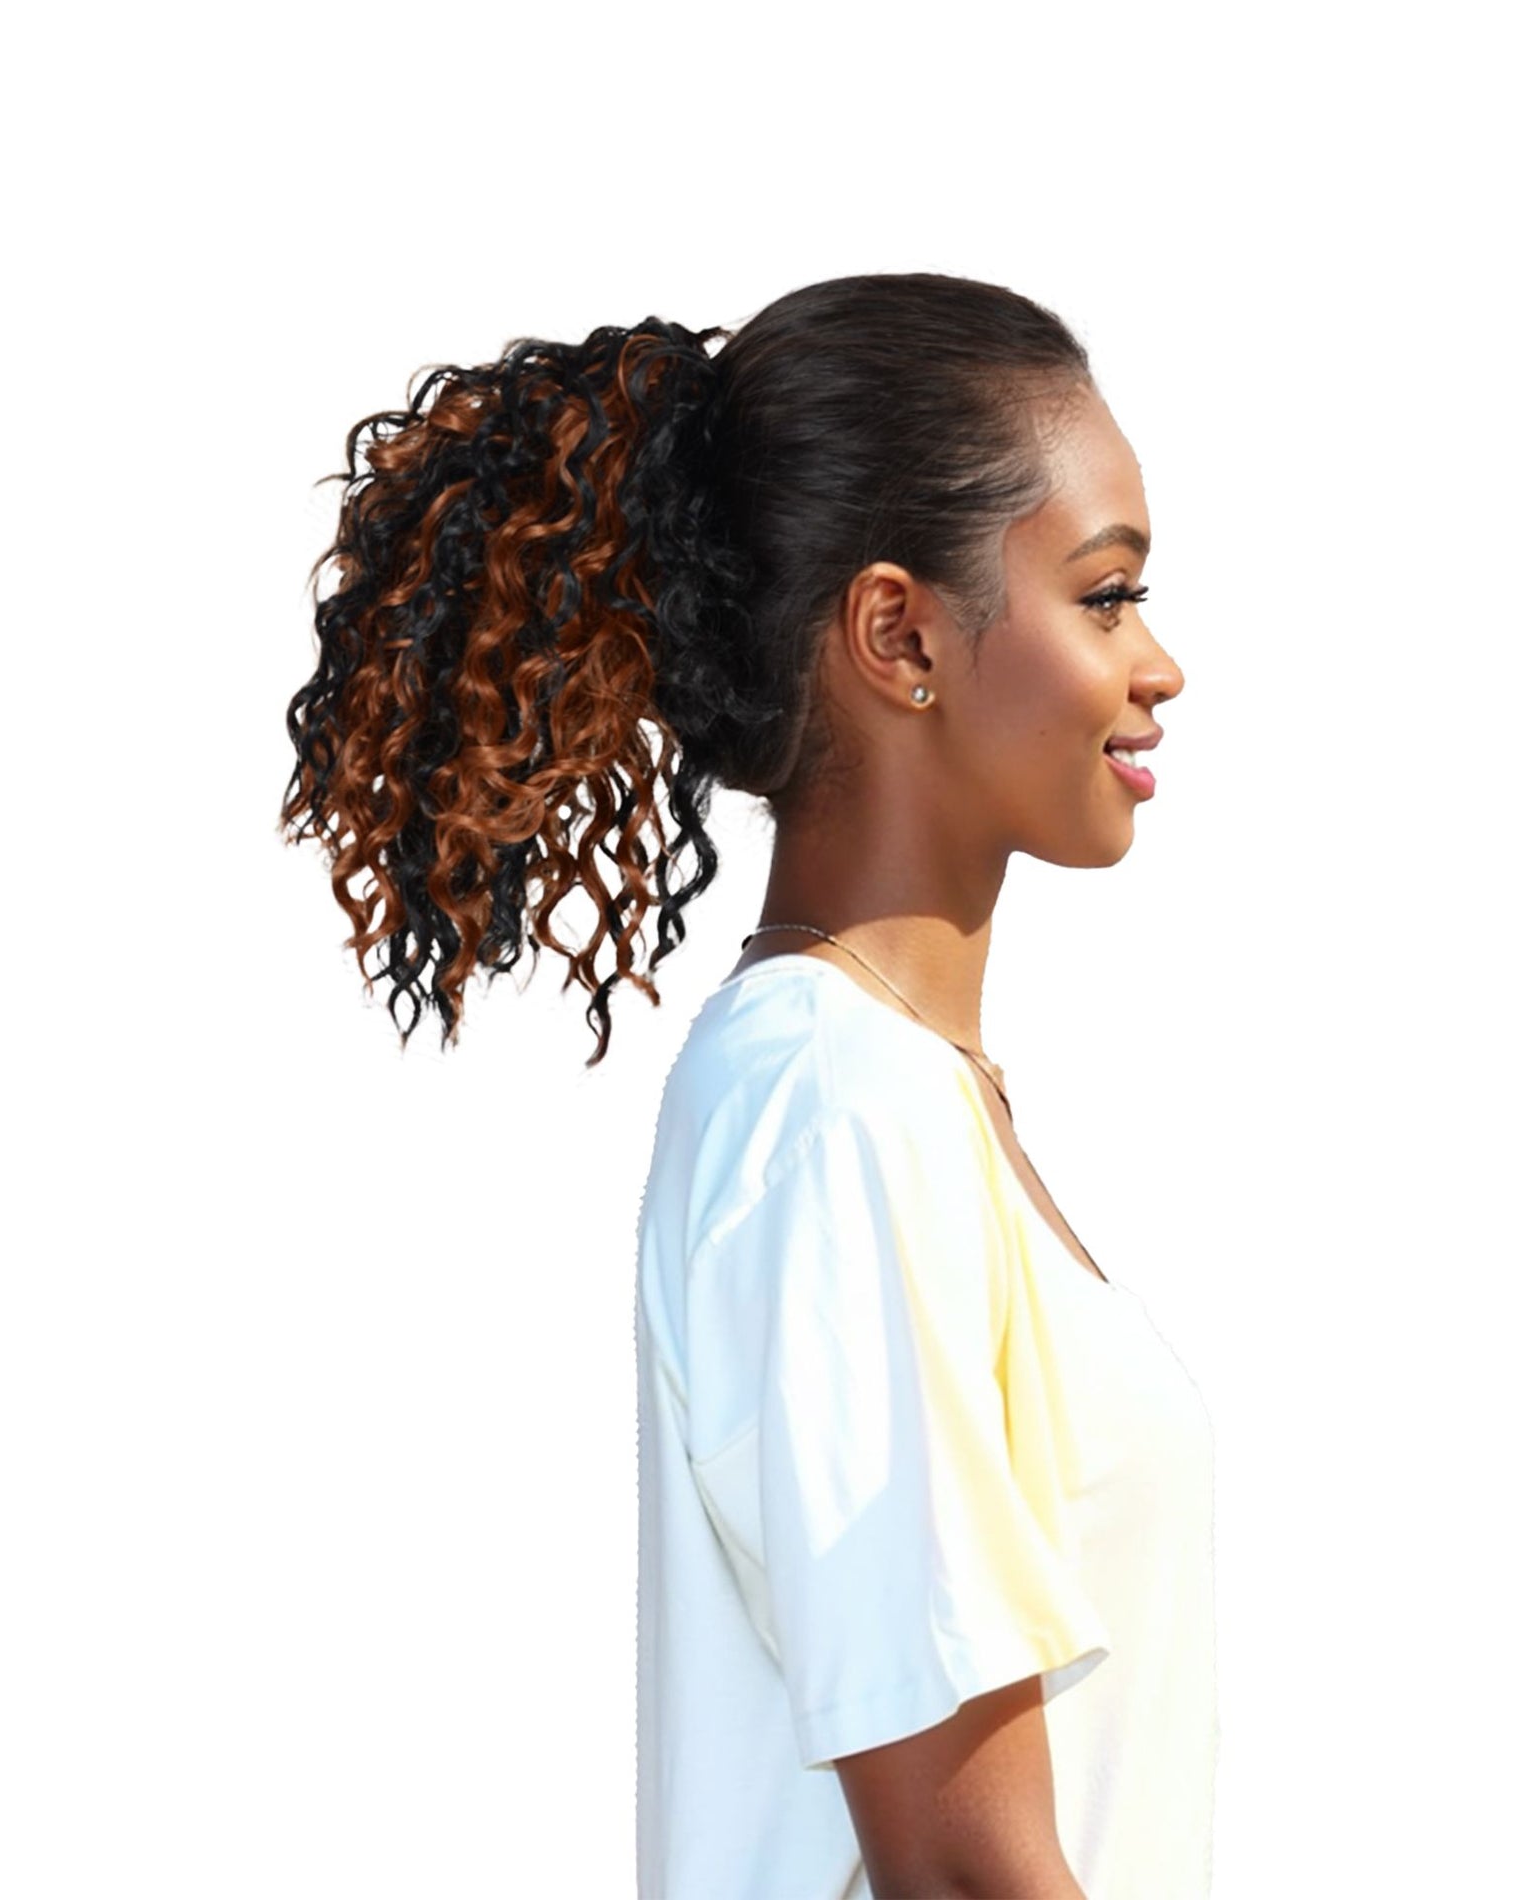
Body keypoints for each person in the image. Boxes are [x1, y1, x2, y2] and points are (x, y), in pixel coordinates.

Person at [280, 272, 1217, 1898]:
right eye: (1106, 595)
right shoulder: (833, 1106)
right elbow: (960, 1868)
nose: (1160, 665)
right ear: (899, 635)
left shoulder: (891, 1094)